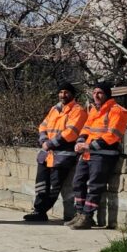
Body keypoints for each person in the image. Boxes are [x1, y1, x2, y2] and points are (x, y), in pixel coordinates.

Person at [69, 82, 127, 230]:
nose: (96, 95)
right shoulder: (94, 110)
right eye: (94, 92)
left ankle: (87, 217)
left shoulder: (117, 111)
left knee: (95, 185)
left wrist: (88, 146)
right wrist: (80, 142)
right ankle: (79, 213)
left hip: (103, 154)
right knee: (77, 182)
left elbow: (113, 135)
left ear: (107, 94)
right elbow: (86, 129)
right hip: (88, 153)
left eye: (100, 93)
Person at [23, 82, 88, 222]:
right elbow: (43, 125)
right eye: (61, 92)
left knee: (54, 186)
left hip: (63, 155)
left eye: (66, 92)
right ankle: (38, 211)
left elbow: (71, 132)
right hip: (47, 154)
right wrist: (43, 140)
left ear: (72, 94)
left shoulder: (78, 110)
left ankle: (42, 211)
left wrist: (50, 143)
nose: (63, 95)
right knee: (40, 184)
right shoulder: (55, 109)